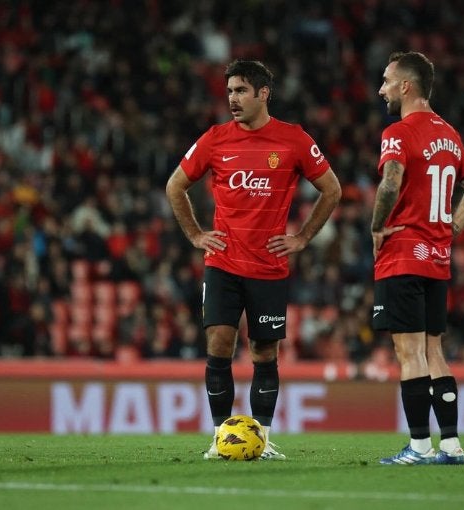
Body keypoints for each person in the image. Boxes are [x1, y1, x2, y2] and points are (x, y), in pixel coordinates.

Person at [166, 59, 341, 460]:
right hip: (223, 263)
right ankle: (218, 438)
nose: (232, 99)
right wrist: (194, 234)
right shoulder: (214, 139)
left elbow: (332, 190)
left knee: (264, 352)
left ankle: (260, 438)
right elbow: (175, 186)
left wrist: (302, 238)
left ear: (264, 93)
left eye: (241, 90)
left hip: (268, 267)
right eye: (229, 91)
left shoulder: (293, 140)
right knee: (219, 344)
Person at [370, 51, 464, 465]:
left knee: (410, 353)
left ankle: (420, 445)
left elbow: (390, 182)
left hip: (403, 253)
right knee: (435, 349)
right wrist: (450, 230)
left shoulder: (399, 132)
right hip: (437, 258)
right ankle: (452, 444)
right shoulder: (450, 134)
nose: (381, 88)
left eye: (386, 80)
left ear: (406, 85)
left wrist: (376, 226)